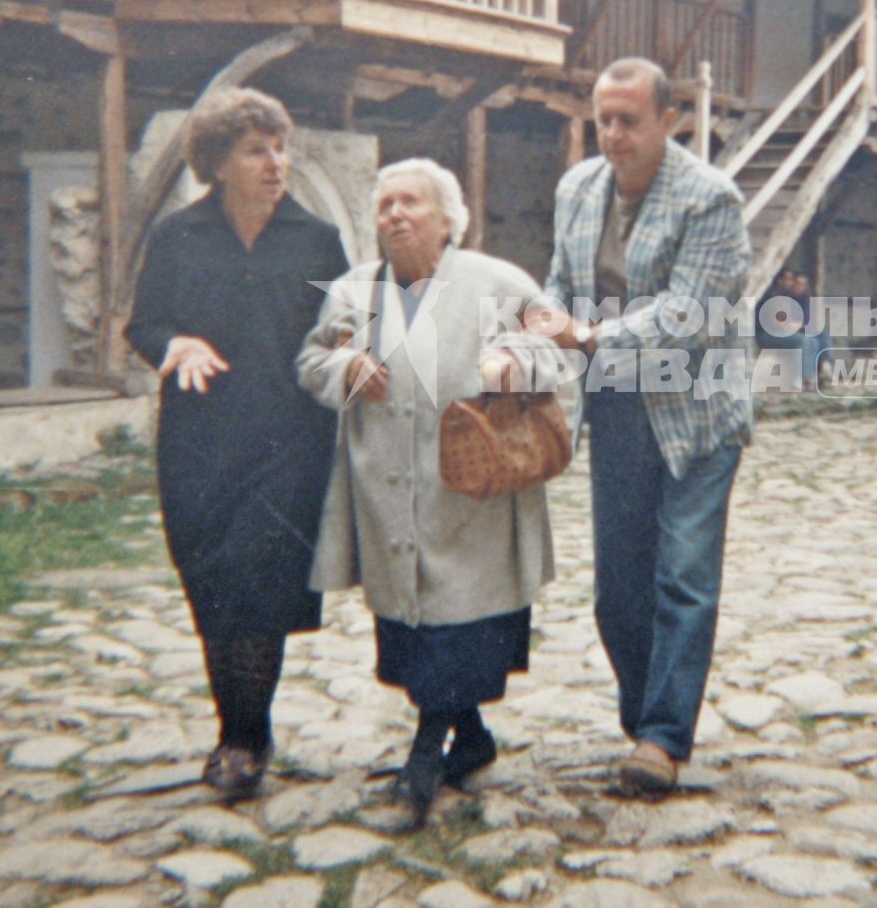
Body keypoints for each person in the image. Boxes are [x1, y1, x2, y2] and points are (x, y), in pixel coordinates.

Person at [297, 159, 561, 827]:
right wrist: (345, 365)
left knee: (458, 621)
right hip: (386, 491)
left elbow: (556, 353)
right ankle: (467, 741)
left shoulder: (497, 282)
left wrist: (513, 364)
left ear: (447, 219)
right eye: (384, 204)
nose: (394, 214)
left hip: (469, 494)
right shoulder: (354, 292)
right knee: (417, 624)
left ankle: (422, 762)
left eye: (410, 202)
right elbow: (309, 361)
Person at [532, 56, 752, 797]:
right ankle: (643, 718)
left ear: (670, 120)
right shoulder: (576, 189)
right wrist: (537, 334)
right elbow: (561, 282)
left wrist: (586, 336)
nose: (615, 134)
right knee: (616, 588)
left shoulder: (710, 199)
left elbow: (686, 318)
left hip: (698, 410)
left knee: (682, 575)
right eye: (604, 119)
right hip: (618, 406)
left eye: (631, 119)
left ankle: (662, 738)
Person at [125, 88, 349, 801]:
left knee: (257, 578)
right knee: (213, 579)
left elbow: (344, 327)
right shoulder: (177, 238)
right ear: (218, 162)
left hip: (289, 440)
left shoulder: (315, 239)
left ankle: (243, 738)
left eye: (280, 148)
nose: (275, 162)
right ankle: (241, 724)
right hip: (200, 437)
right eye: (257, 150)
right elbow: (144, 324)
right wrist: (175, 342)